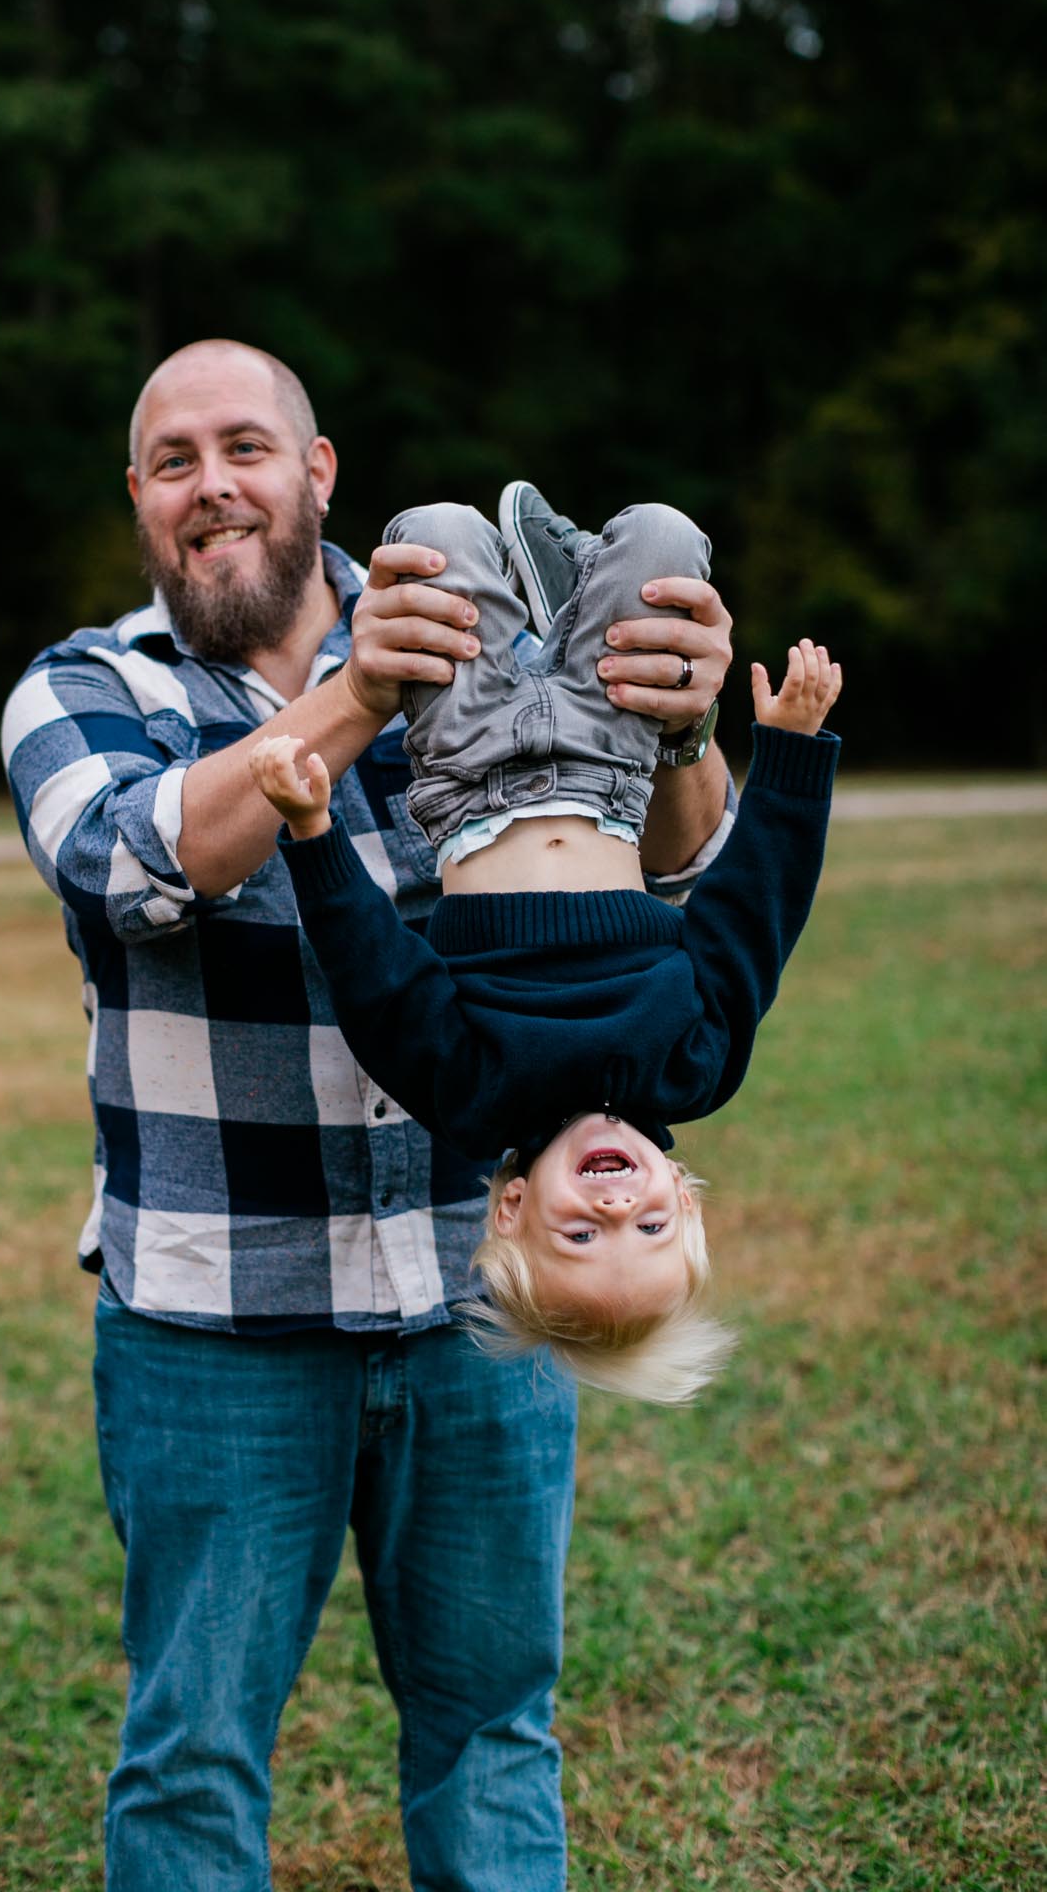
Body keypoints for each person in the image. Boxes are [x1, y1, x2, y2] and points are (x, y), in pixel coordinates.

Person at [1, 339, 736, 1890]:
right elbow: (131, 865)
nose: (215, 486)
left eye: (246, 447)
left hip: (475, 1298)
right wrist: (352, 703)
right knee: (193, 1757)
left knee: (490, 1732)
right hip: (217, 1321)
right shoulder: (86, 687)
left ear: (316, 471)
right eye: (176, 460)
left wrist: (689, 724)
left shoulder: (465, 626)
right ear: (140, 498)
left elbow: (671, 874)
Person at [250, 497, 842, 1407]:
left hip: (466, 763)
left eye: (580, 1240)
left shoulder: (474, 1099)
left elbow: (374, 978)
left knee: (436, 533)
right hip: (614, 755)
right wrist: (791, 755)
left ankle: (555, 605)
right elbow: (755, 916)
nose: (615, 1212)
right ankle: (576, 599)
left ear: (513, 1210)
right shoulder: (693, 1065)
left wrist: (313, 832)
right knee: (663, 536)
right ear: (681, 1193)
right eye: (649, 1227)